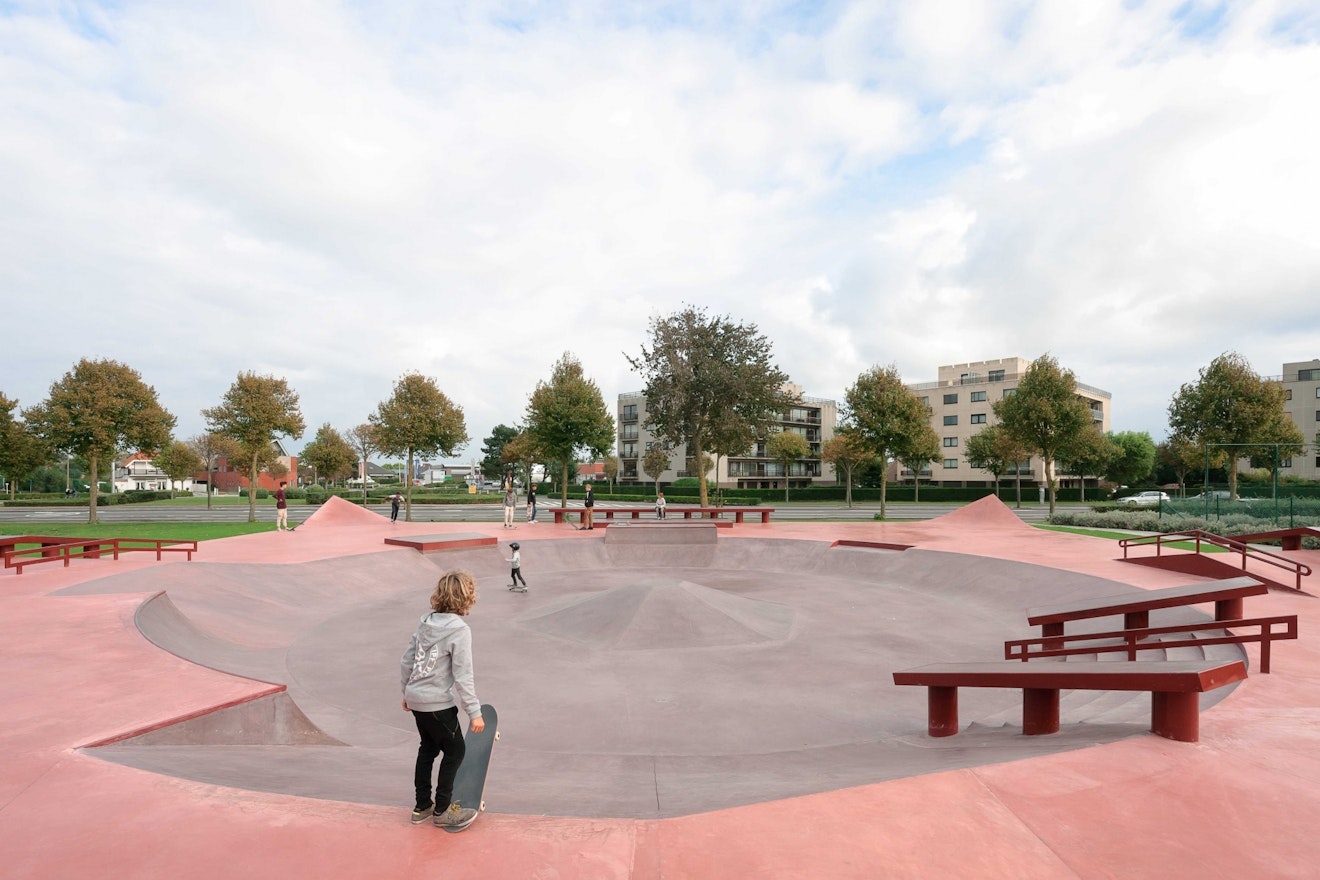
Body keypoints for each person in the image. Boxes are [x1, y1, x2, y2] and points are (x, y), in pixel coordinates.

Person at [400, 570, 485, 830]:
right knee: (456, 750)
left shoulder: (426, 622)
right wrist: (474, 712)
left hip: (417, 699)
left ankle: (421, 806)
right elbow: (463, 674)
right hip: (437, 703)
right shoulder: (459, 630)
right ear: (467, 597)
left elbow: (407, 660)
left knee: (428, 748)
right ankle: (443, 810)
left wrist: (406, 691)